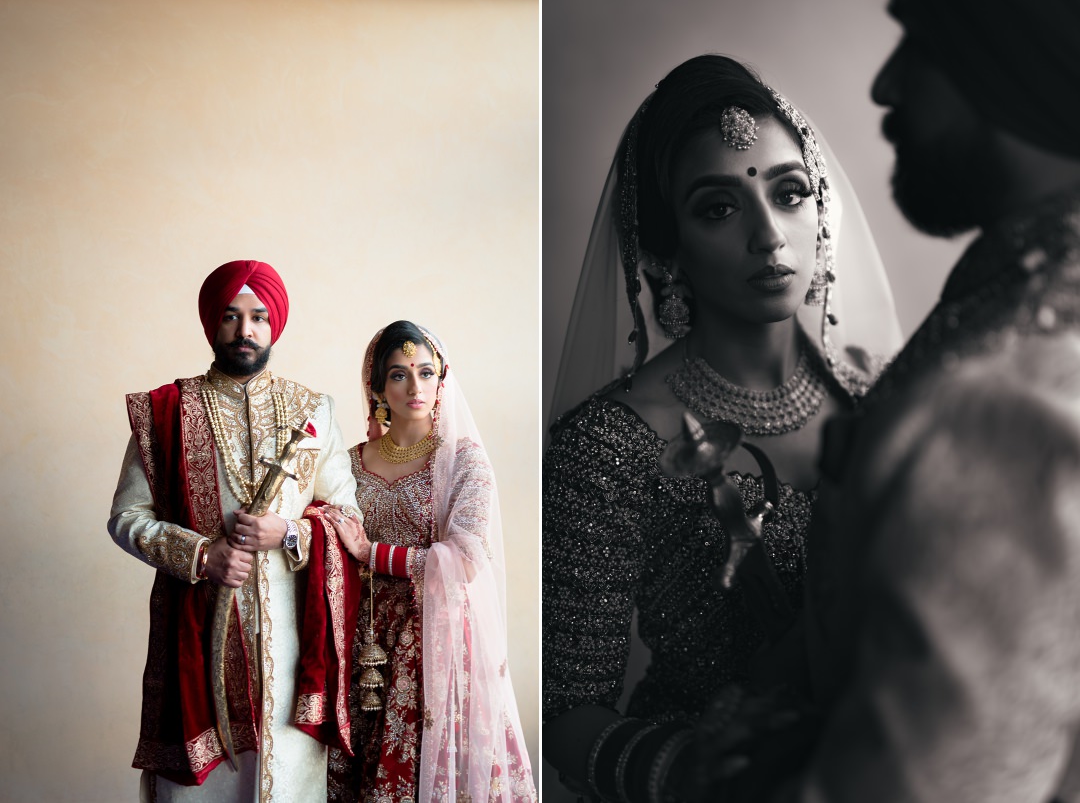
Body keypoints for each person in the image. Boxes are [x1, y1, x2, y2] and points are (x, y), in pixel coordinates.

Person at [704, 0, 1080, 800]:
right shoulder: (999, 302)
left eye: (924, 44)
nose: (884, 85)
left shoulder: (1011, 402)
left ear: (1008, 61)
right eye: (717, 206)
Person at [542, 54, 901, 799]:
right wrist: (704, 773)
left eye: (790, 192)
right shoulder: (609, 444)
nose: (770, 237)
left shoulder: (885, 401)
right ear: (664, 250)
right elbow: (562, 712)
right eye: (718, 208)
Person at [108, 259, 361, 802]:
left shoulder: (314, 412)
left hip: (292, 652)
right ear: (211, 325)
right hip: (197, 642)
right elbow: (127, 517)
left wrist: (289, 533)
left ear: (275, 326)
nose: (245, 330)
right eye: (231, 316)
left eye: (258, 317)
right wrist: (202, 555)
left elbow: (347, 519)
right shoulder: (167, 411)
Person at [327, 321, 536, 802]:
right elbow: (323, 534)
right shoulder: (348, 463)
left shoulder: (464, 461)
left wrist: (370, 553)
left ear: (443, 379)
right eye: (399, 375)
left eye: (426, 371)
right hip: (361, 638)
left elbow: (464, 559)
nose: (415, 386)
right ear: (376, 386)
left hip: (435, 639)